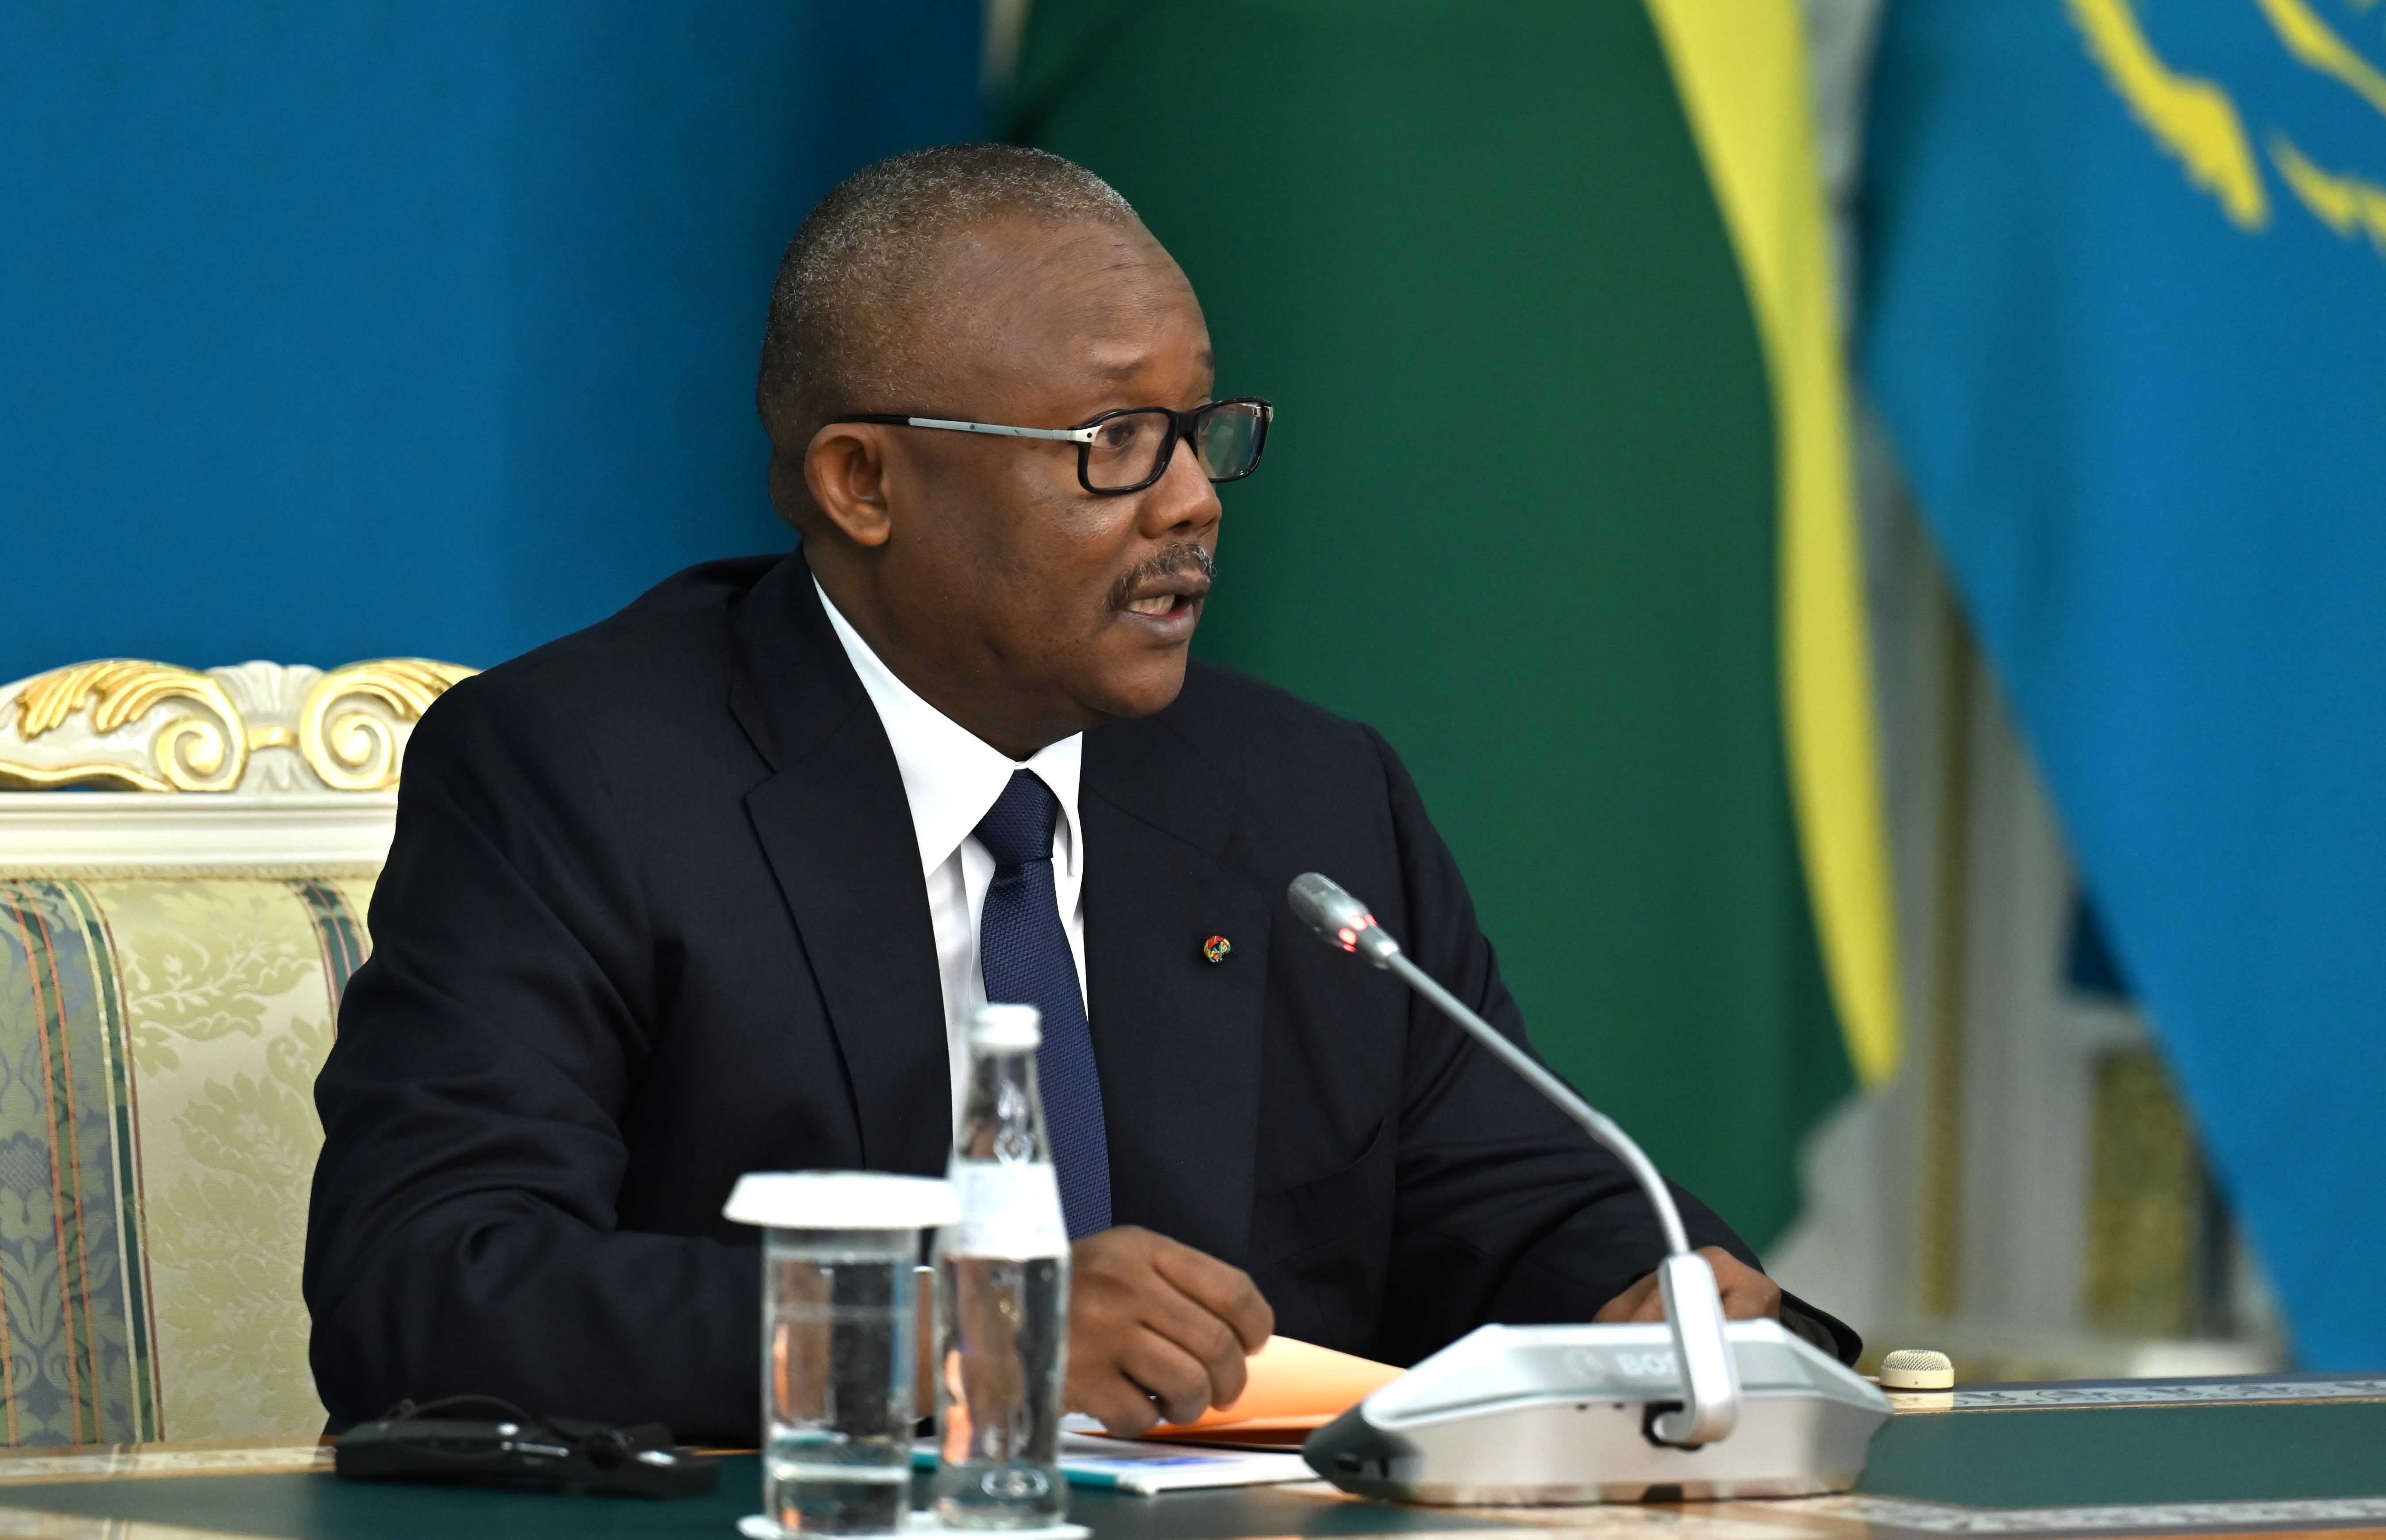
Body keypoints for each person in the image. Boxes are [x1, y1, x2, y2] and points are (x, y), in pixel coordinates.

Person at [304, 144, 1855, 1444]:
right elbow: (428, 1288)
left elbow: (1512, 1196)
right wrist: (964, 1337)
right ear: (863, 482)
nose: (1192, 501)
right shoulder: (582, 773)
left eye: (1202, 434)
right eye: (1115, 443)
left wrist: (1653, 1295)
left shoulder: (1307, 799)